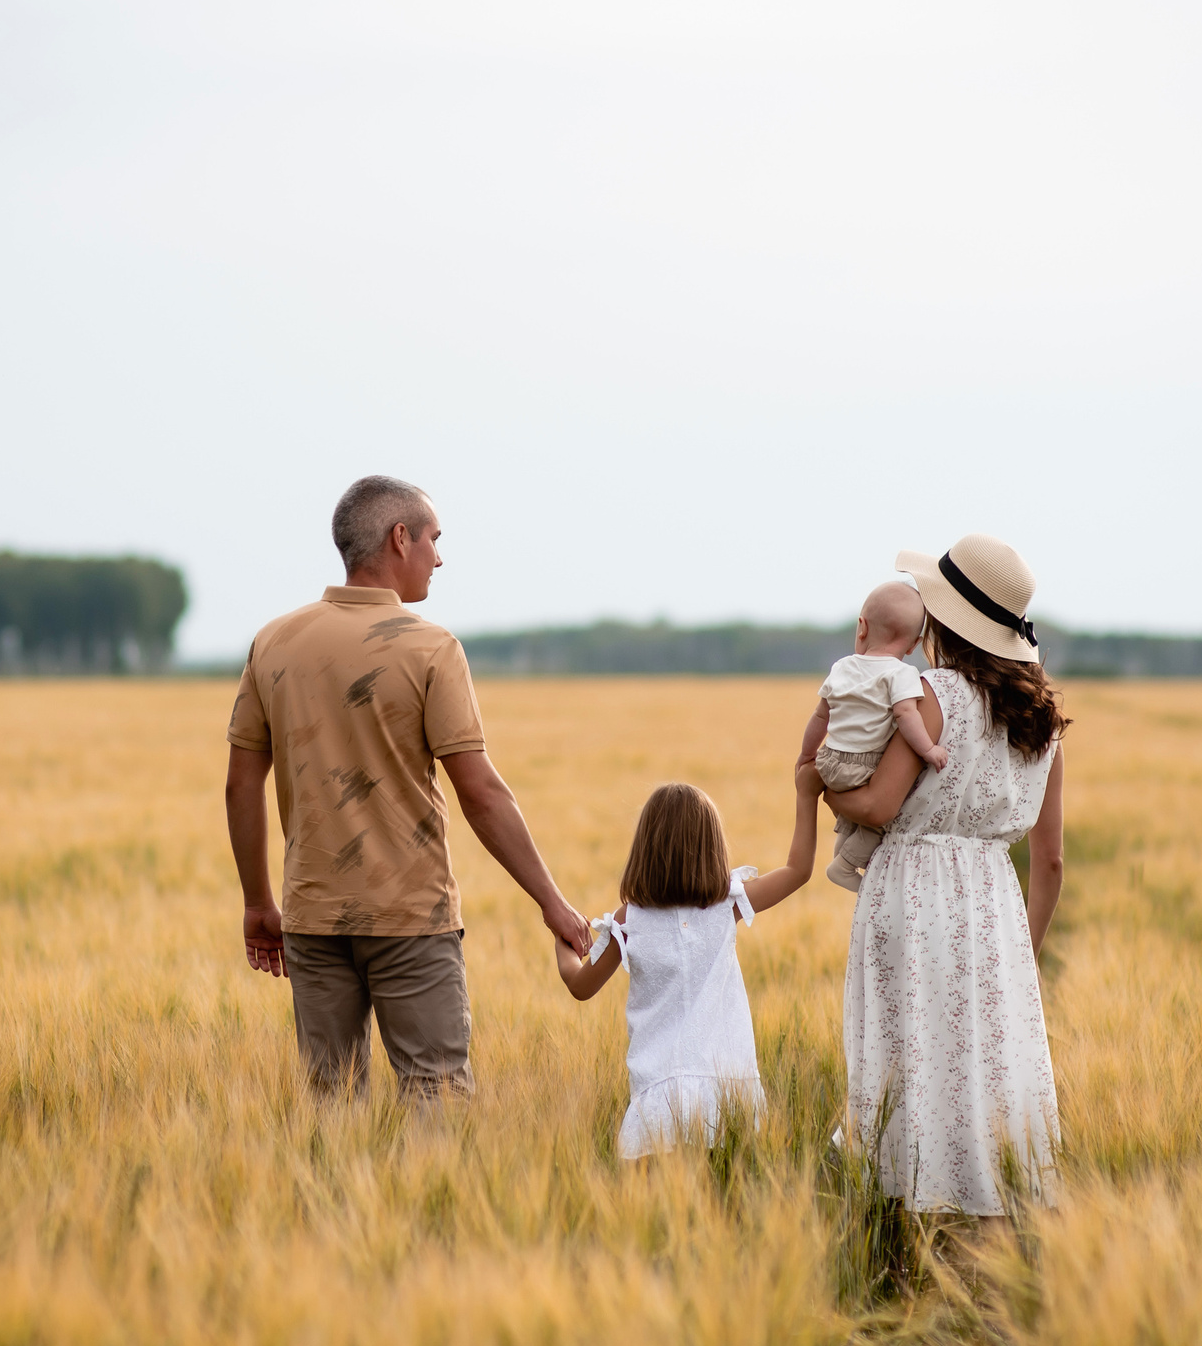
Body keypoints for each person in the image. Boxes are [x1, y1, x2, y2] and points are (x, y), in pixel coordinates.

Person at [226, 475, 591, 1100]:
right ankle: (428, 1201)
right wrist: (551, 901)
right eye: (433, 538)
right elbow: (480, 792)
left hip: (312, 916)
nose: (440, 557)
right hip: (412, 919)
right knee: (437, 1095)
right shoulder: (431, 648)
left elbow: (240, 784)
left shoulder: (273, 642)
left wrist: (260, 902)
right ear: (401, 539)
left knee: (329, 1103)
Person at [812, 533, 1070, 1219]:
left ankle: (899, 1224)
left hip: (911, 897)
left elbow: (878, 804)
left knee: (904, 1061)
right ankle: (984, 1224)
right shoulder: (1043, 721)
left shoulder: (930, 695)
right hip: (993, 909)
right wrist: (1024, 955)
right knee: (982, 1073)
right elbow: (1050, 860)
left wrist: (816, 786)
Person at [553, 775, 821, 1157]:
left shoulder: (630, 921)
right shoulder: (725, 905)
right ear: (711, 848)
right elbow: (799, 870)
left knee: (654, 1210)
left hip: (659, 1098)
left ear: (645, 850)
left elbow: (580, 985)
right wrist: (806, 794)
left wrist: (562, 942)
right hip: (729, 1092)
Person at [804, 583, 949, 892]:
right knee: (882, 818)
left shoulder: (841, 667)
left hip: (829, 759)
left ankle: (840, 853)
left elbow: (821, 716)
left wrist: (807, 756)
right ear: (914, 645)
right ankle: (843, 866)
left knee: (855, 814)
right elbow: (906, 716)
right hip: (863, 765)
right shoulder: (902, 674)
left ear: (862, 627)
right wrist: (929, 749)